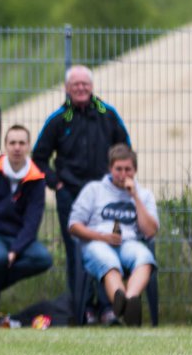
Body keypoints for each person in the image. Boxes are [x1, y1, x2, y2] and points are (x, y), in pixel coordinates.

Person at [31, 65, 131, 294]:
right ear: (67, 88)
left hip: (104, 196)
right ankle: (81, 306)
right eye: (75, 84)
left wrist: (119, 180)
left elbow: (125, 148)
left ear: (92, 87)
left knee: (105, 246)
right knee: (75, 249)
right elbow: (39, 158)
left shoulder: (107, 114)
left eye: (85, 84)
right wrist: (55, 182)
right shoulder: (59, 119)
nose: (81, 88)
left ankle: (107, 305)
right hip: (70, 195)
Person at [0, 125, 53, 327]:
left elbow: (33, 222)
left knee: (43, 258)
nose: (17, 148)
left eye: (21, 143)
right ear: (5, 146)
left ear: (28, 147)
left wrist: (15, 250)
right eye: (12, 143)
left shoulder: (37, 178)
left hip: (18, 238)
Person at [67, 144, 158, 327]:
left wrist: (135, 198)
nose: (123, 174)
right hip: (97, 243)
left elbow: (150, 231)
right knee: (108, 261)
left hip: (129, 243)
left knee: (145, 258)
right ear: (110, 168)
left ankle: (130, 301)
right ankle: (123, 302)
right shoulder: (94, 190)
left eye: (128, 169)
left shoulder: (145, 195)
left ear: (135, 170)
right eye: (118, 169)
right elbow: (74, 225)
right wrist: (102, 237)